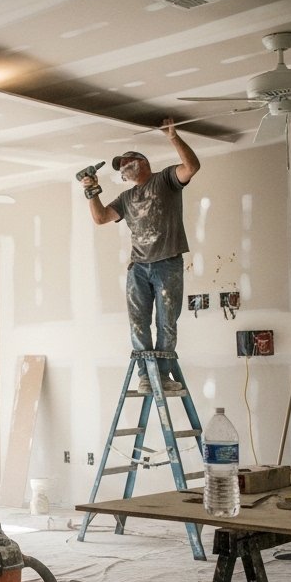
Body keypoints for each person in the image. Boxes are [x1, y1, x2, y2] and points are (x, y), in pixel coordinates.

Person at [80, 118, 201, 393]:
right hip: (138, 267)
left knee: (166, 323)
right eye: (120, 165)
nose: (123, 166)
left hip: (167, 262)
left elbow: (191, 167)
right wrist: (90, 191)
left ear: (143, 163)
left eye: (127, 161)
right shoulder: (126, 198)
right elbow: (100, 218)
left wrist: (173, 137)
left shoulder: (165, 180)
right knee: (138, 324)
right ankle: (146, 376)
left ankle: (163, 375)